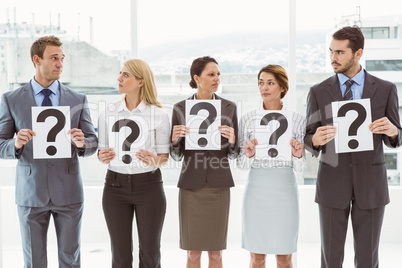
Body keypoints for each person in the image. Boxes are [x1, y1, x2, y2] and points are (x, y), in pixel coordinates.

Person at [304, 25, 402, 268]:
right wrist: (315, 140)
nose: (333, 58)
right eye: (331, 52)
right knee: (331, 260)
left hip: (371, 185)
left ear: (358, 53)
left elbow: (398, 135)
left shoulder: (386, 89)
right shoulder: (318, 91)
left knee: (368, 259)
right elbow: (308, 136)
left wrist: (392, 131)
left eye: (339, 53)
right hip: (331, 183)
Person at [0, 35, 98, 267]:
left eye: (62, 58)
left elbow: (93, 140)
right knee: (34, 261)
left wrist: (83, 143)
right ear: (37, 59)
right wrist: (15, 144)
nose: (60, 64)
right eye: (54, 58)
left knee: (70, 260)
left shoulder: (77, 98)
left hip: (69, 192)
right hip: (31, 193)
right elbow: (0, 143)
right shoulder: (11, 99)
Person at [97, 59, 169, 268]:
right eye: (120, 73)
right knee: (119, 255)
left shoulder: (159, 115)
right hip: (114, 186)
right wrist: (102, 157)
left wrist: (155, 160)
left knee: (150, 252)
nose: (119, 78)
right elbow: (102, 152)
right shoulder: (108, 113)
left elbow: (164, 156)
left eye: (125, 75)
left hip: (150, 186)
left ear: (141, 81)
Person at [170, 56, 239, 268]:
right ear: (197, 78)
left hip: (218, 185)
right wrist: (174, 140)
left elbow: (234, 153)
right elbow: (176, 154)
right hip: (191, 185)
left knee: (216, 253)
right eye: (211, 74)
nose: (216, 78)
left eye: (218, 74)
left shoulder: (229, 107)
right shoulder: (180, 108)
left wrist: (233, 140)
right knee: (192, 253)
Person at [237, 64, 305, 268]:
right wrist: (248, 155)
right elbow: (240, 164)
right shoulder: (248, 119)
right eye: (260, 83)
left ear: (282, 87)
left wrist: (298, 155)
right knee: (257, 257)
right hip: (256, 188)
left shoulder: (297, 120)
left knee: (284, 257)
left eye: (270, 83)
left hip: (285, 189)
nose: (264, 87)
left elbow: (301, 168)